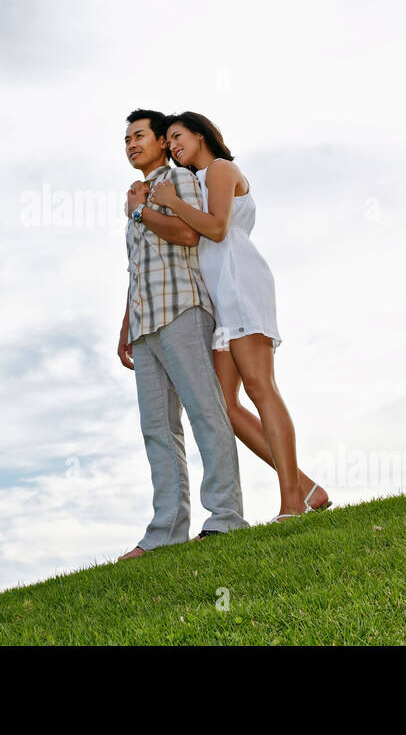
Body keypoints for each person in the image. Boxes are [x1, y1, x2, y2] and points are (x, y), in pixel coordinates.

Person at [149, 111, 330, 521]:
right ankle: (306, 488)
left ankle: (291, 505)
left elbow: (216, 228)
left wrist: (172, 203)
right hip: (219, 296)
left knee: (261, 388)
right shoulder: (194, 180)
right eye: (169, 141)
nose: (174, 146)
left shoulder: (221, 168)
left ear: (200, 134)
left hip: (242, 285)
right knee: (225, 405)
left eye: (178, 137)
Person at [116, 109, 248, 560]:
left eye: (139, 135)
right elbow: (137, 269)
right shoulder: (134, 195)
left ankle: (226, 516)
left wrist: (140, 213)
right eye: (126, 138)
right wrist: (125, 328)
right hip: (145, 322)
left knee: (205, 412)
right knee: (157, 428)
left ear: (158, 142)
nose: (131, 143)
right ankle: (165, 532)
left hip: (183, 311)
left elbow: (189, 236)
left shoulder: (180, 182)